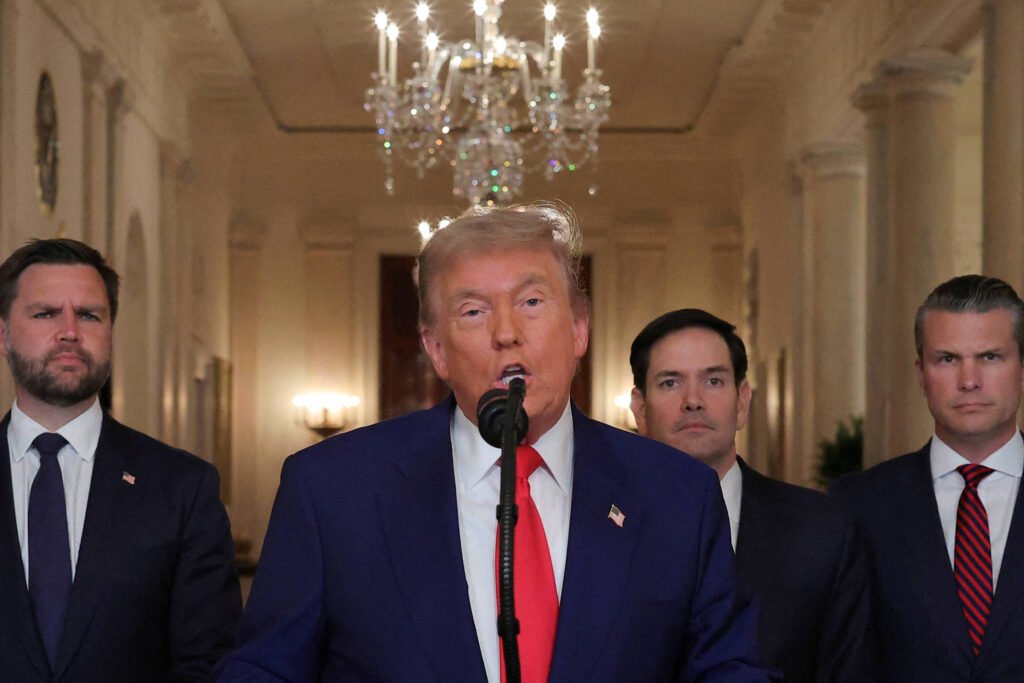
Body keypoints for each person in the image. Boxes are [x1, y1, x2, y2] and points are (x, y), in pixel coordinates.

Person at [219, 204, 769, 681]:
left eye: (531, 302)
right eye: (473, 311)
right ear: (436, 349)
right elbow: (265, 669)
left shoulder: (678, 494)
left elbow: (727, 668)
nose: (506, 332)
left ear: (579, 328)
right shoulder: (333, 490)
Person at [0, 238, 241, 681]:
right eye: (45, 313)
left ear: (110, 333)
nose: (70, 331)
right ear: (3, 334)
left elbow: (208, 661)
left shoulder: (182, 488)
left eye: (89, 315)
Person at [629, 308, 874, 681]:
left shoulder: (823, 532)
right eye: (670, 383)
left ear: (742, 402)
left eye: (714, 381)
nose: (693, 400)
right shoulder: (599, 528)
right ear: (640, 409)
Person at [832, 274, 1024, 681]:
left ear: (1022, 368)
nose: (969, 381)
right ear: (921, 375)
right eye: (947, 359)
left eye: (990, 357)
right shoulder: (858, 506)